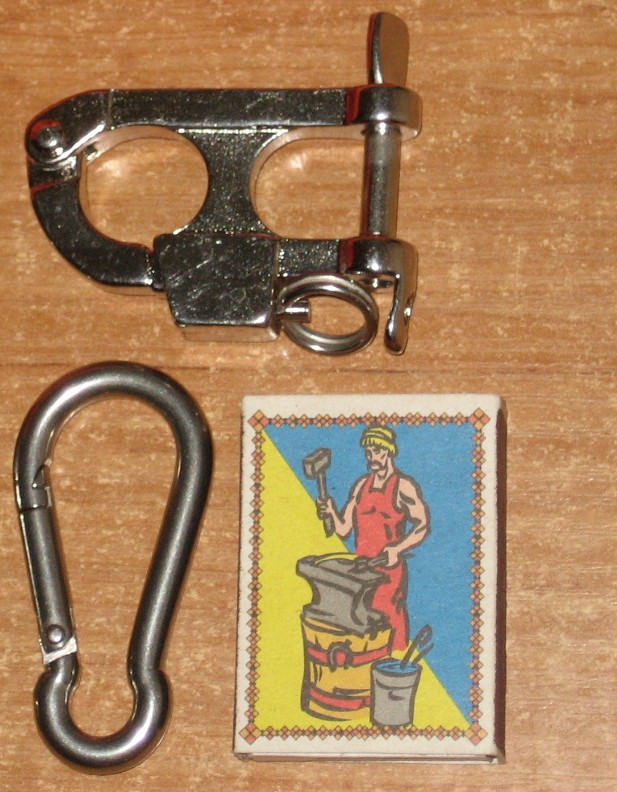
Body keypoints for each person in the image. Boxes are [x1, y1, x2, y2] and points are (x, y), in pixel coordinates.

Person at [317, 425, 430, 651]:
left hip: (389, 572)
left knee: (388, 623)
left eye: (377, 451)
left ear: (389, 451)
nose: (372, 457)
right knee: (362, 627)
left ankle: (395, 662)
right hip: (361, 572)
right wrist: (331, 511)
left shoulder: (403, 486)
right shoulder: (361, 485)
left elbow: (423, 525)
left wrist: (397, 549)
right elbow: (344, 529)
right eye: (368, 452)